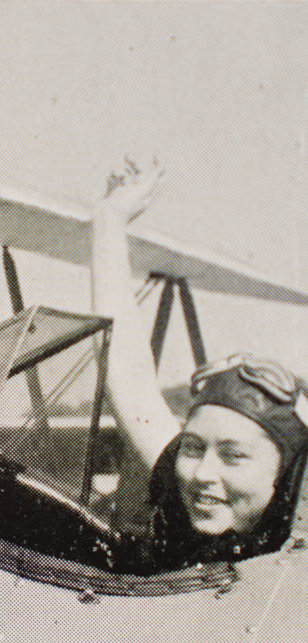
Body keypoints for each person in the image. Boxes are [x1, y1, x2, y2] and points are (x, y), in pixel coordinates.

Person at [90, 158, 308, 572]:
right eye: (193, 448)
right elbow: (130, 376)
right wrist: (109, 218)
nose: (203, 474)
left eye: (234, 456)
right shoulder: (188, 487)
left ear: (286, 474)